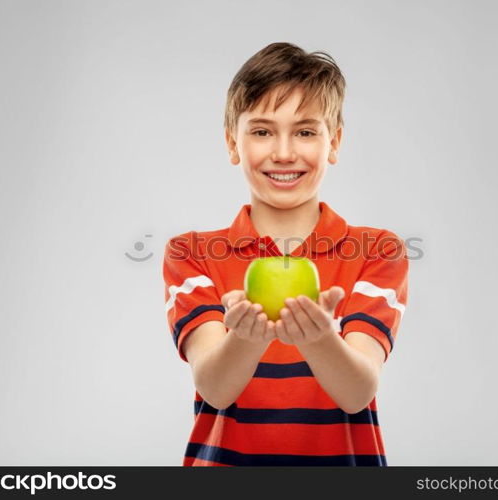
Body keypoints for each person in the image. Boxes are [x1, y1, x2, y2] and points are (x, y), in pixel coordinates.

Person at [162, 42, 409, 466]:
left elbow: (357, 392)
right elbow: (216, 387)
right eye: (261, 131)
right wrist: (244, 338)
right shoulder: (191, 253)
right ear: (232, 143)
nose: (283, 152)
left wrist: (319, 340)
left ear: (334, 143)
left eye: (306, 131)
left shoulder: (378, 251)